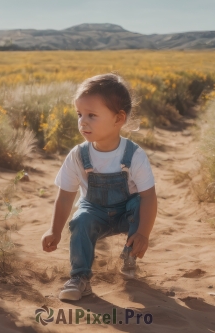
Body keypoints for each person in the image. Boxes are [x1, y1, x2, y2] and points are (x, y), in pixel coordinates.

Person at [41, 73, 158, 301]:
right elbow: (65, 196)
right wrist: (54, 229)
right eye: (79, 114)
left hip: (127, 212)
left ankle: (129, 254)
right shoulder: (78, 155)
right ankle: (79, 278)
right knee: (81, 220)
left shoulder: (133, 155)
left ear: (118, 119)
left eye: (92, 115)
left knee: (138, 205)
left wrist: (144, 233)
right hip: (95, 211)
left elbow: (149, 196)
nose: (83, 122)